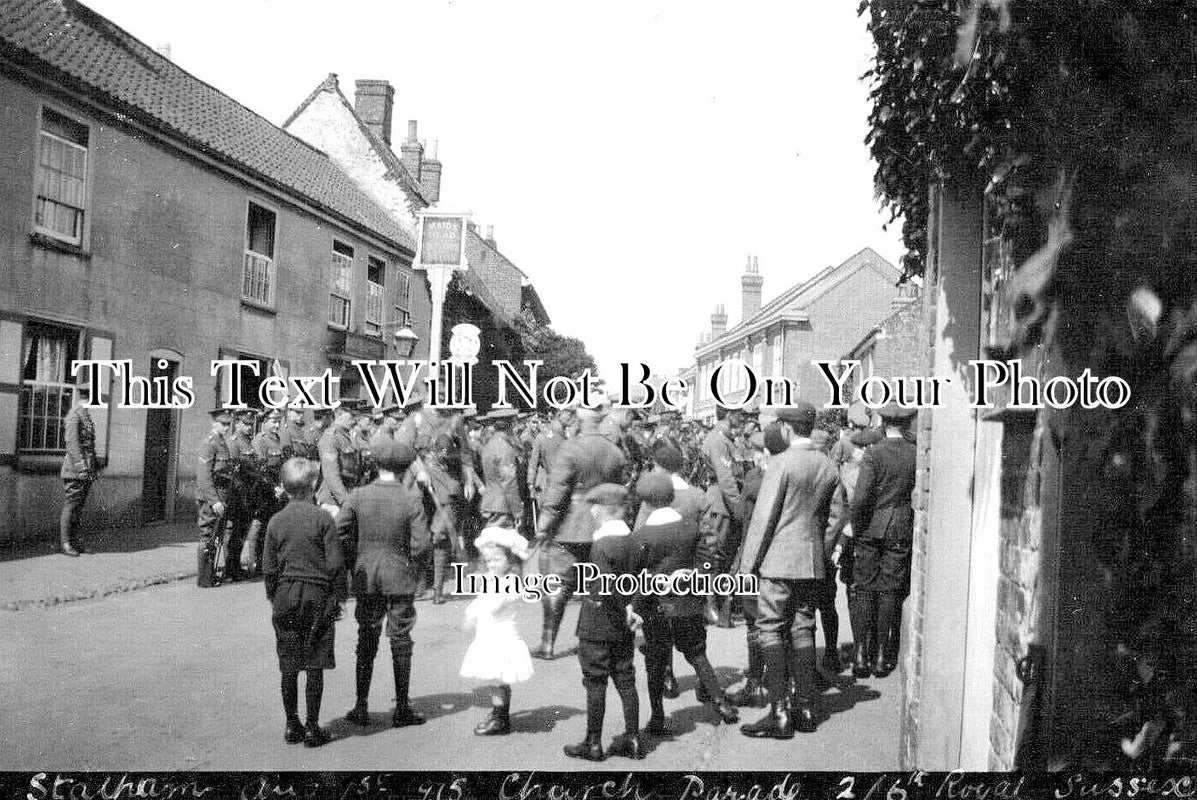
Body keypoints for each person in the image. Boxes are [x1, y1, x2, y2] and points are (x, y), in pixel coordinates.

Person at [737, 402, 839, 738]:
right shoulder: (828, 464)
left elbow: (764, 518)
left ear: (787, 429)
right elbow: (837, 514)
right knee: (803, 627)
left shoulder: (781, 463)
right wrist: (819, 550)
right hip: (810, 561)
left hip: (778, 560)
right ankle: (806, 707)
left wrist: (747, 565)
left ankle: (779, 712)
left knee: (769, 628)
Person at [630, 472, 738, 736]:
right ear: (671, 497)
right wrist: (693, 575)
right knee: (697, 654)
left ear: (645, 502)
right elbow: (710, 558)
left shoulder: (641, 536)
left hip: (655, 609)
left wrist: (638, 602)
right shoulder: (692, 527)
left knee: (655, 662)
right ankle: (721, 703)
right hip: (688, 604)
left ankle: (657, 717)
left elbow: (634, 578)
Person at [338, 439, 430, 728]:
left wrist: (356, 560)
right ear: (404, 469)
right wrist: (412, 568)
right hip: (399, 577)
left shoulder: (357, 495)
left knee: (366, 638)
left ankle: (361, 706)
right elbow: (422, 544)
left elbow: (339, 532)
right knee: (401, 639)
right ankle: (402, 709)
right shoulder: (411, 499)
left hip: (367, 577)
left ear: (376, 465)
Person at [532, 404, 627, 660]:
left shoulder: (570, 449)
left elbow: (557, 491)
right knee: (598, 584)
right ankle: (595, 642)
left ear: (577, 420)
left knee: (557, 585)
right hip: (604, 524)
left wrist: (543, 524)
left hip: (570, 527)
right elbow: (620, 489)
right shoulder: (615, 451)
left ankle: (548, 644)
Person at [261, 457, 344, 748]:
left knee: (289, 663)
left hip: (286, 594)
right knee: (314, 664)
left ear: (283, 487)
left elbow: (269, 568)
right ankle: (312, 728)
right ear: (314, 486)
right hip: (317, 595)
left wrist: (275, 597)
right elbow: (335, 565)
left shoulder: (275, 521)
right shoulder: (324, 519)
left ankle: (291, 725)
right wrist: (337, 599)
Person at [563, 483, 642, 762]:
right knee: (625, 679)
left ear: (598, 510)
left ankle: (593, 743)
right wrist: (631, 609)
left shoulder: (601, 545)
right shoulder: (632, 540)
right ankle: (633, 739)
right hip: (624, 625)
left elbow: (604, 588)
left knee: (595, 682)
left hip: (598, 624)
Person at [849, 402, 917, 679]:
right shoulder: (915, 454)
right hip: (900, 526)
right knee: (889, 592)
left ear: (883, 422)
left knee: (864, 589)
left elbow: (861, 497)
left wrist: (856, 526)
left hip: (870, 528)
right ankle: (882, 656)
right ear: (907, 424)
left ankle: (862, 654)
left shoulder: (873, 454)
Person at [460, 527, 535, 736]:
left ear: (511, 561)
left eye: (497, 560)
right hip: (489, 636)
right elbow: (481, 601)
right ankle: (499, 715)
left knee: (498, 678)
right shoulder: (496, 581)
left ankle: (499, 718)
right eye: (488, 561)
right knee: (497, 681)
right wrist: (470, 614)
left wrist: (487, 587)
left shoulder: (511, 582)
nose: (491, 565)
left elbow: (493, 604)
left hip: (501, 639)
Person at [700, 406, 746, 628]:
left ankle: (718, 603)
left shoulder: (727, 439)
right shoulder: (718, 440)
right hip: (720, 503)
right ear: (729, 414)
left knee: (724, 556)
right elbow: (726, 480)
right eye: (740, 413)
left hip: (726, 502)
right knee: (714, 556)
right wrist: (740, 510)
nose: (743, 417)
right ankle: (709, 606)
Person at [59, 386, 99, 557]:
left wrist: (93, 468)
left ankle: (75, 542)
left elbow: (90, 446)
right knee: (71, 506)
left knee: (78, 507)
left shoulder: (86, 416)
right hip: (74, 470)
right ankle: (66, 543)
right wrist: (82, 468)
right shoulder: (74, 416)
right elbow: (72, 445)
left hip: (86, 470)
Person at [196, 408, 234, 588]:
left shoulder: (222, 443)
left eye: (228, 424)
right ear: (214, 423)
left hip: (221, 496)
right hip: (211, 498)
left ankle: (210, 574)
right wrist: (215, 501)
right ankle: (204, 578)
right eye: (223, 424)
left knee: (216, 536)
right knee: (207, 534)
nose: (227, 427)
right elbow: (204, 477)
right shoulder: (209, 443)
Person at [224, 409, 258, 582]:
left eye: (250, 424)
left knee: (242, 532)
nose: (249, 427)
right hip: (238, 496)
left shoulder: (249, 443)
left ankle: (235, 566)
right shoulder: (234, 442)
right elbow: (232, 471)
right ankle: (230, 569)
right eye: (245, 424)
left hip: (248, 495)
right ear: (237, 423)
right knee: (234, 533)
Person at [478, 408, 525, 529]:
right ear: (511, 425)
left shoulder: (489, 445)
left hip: (491, 503)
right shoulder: (504, 448)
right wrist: (517, 511)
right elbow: (509, 481)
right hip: (503, 507)